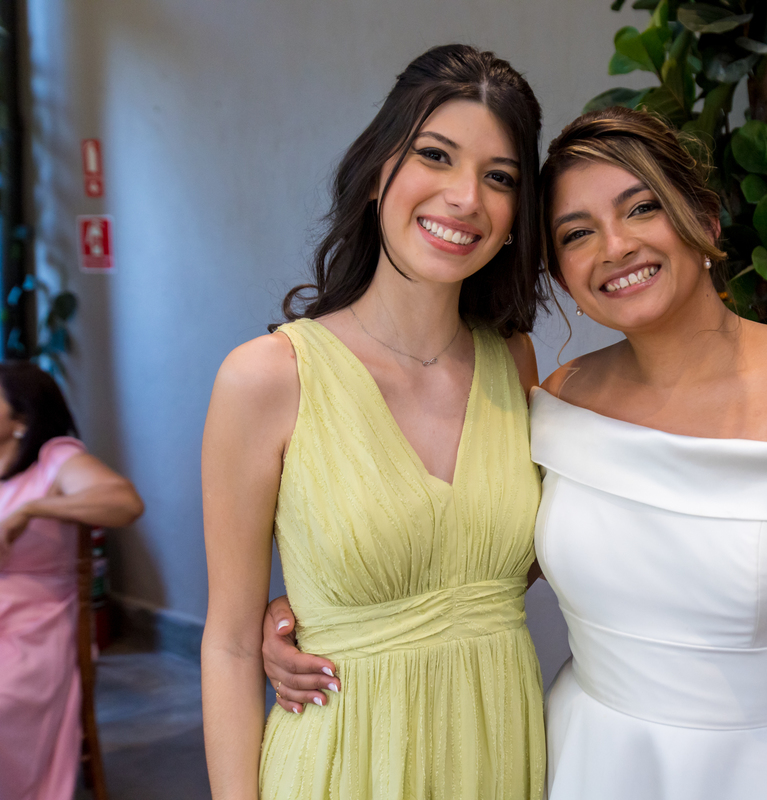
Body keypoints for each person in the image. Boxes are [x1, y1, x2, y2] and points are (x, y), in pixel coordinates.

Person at [263, 107, 767, 800]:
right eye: (577, 234)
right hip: (588, 765)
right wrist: (316, 616)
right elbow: (483, 560)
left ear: (705, 220)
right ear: (561, 276)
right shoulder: (561, 402)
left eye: (641, 208)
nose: (616, 246)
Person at [200, 45, 547, 800]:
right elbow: (228, 644)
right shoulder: (268, 379)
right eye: (435, 155)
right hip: (342, 763)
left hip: (498, 757)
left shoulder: (515, 363)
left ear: (518, 217)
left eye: (500, 177)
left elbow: (516, 562)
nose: (466, 197)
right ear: (374, 173)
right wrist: (309, 619)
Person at [0, 361, 144, 800]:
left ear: (22, 419)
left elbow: (124, 502)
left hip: (33, 623)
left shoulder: (55, 459)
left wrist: (32, 509)